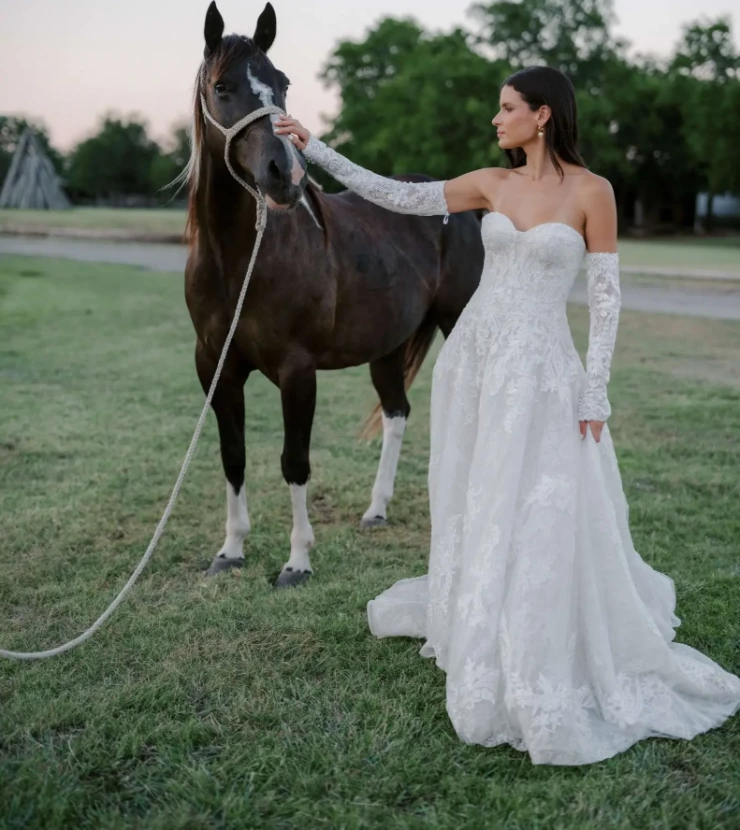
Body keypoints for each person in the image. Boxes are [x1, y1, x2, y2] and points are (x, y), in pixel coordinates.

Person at [274, 66, 740, 766]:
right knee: (476, 489)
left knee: (544, 494)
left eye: (508, 107)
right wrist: (314, 148)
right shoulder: (492, 183)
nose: (496, 119)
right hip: (474, 362)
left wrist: (596, 389)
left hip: (543, 370)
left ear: (542, 115)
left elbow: (606, 298)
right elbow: (397, 194)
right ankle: (476, 607)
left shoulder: (593, 192)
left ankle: (533, 621)